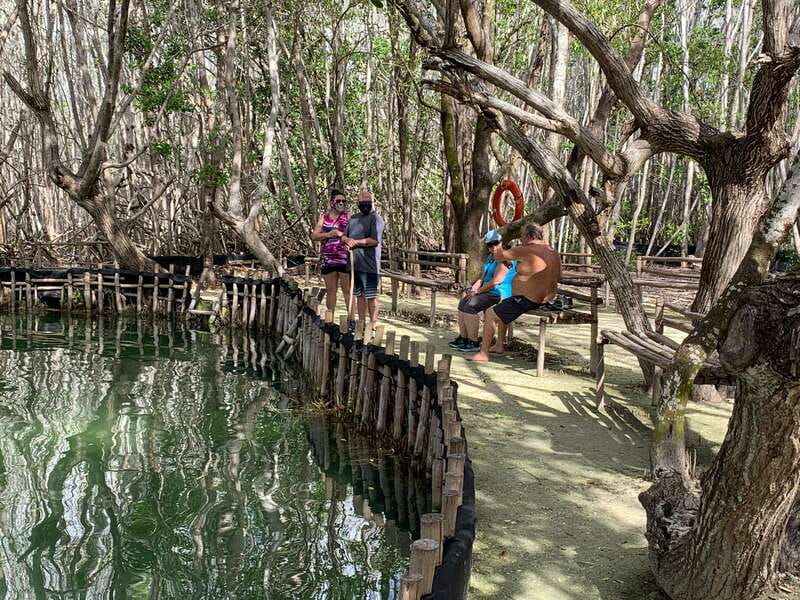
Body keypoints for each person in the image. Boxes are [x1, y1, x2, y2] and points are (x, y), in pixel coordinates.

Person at [468, 222, 561, 363]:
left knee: (491, 313)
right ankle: (499, 345)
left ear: (528, 236)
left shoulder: (524, 249)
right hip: (547, 299)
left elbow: (498, 256)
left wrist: (501, 238)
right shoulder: (553, 251)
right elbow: (560, 276)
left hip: (529, 300)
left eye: (522, 236)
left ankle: (483, 353)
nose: (521, 240)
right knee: (504, 305)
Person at [449, 230, 516, 353]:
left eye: (496, 243)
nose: (493, 247)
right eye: (490, 245)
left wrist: (477, 292)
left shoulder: (505, 258)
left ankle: (473, 342)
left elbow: (496, 281)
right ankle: (464, 338)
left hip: (499, 293)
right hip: (487, 291)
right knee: (463, 301)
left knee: (471, 306)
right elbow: (482, 277)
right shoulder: (491, 258)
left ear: (501, 242)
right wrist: (473, 289)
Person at [342, 190, 384, 331]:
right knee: (359, 295)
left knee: (371, 296)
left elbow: (374, 240)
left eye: (367, 199)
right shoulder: (353, 218)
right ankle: (361, 323)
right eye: (362, 200)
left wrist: (355, 242)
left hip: (370, 265)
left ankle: (373, 324)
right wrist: (347, 241)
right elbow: (344, 236)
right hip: (355, 265)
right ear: (358, 202)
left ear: (371, 201)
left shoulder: (376, 218)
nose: (365, 202)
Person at [311, 189, 351, 315]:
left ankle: (351, 321)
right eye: (338, 201)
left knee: (347, 290)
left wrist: (342, 235)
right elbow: (314, 236)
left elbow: (354, 234)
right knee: (331, 290)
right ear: (332, 202)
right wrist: (329, 234)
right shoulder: (324, 217)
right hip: (328, 260)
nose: (341, 203)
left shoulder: (348, 216)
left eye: (343, 201)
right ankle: (330, 319)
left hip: (345, 259)